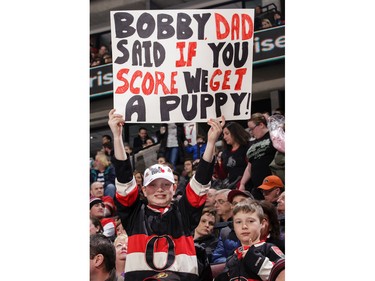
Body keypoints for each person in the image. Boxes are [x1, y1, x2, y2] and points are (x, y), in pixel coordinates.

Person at [107, 108, 224, 280]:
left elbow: (200, 183)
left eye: (165, 184)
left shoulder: (183, 212)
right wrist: (117, 137)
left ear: (174, 188)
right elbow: (124, 179)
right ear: (144, 190)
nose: (160, 189)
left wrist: (211, 142)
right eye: (153, 185)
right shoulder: (133, 214)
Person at [215, 200, 284, 281]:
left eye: (250, 221)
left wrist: (255, 259)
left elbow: (283, 276)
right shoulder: (232, 258)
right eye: (238, 222)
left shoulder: (269, 249)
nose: (244, 226)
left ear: (262, 223)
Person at [239, 113, 277, 200]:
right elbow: (250, 165)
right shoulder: (253, 144)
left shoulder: (273, 136)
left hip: (272, 186)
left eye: (252, 129)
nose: (251, 132)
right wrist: (242, 183)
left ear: (261, 125)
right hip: (258, 188)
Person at [211, 189, 253, 264]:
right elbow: (217, 257)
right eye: (235, 203)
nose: (238, 205)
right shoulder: (225, 232)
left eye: (242, 202)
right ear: (232, 207)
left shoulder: (261, 227)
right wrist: (234, 261)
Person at [214, 122, 250, 189]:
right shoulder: (225, 153)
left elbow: (250, 168)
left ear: (235, 133)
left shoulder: (247, 148)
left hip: (246, 186)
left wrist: (242, 183)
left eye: (227, 134)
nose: (224, 137)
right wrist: (216, 164)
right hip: (231, 186)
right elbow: (223, 176)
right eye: (223, 134)